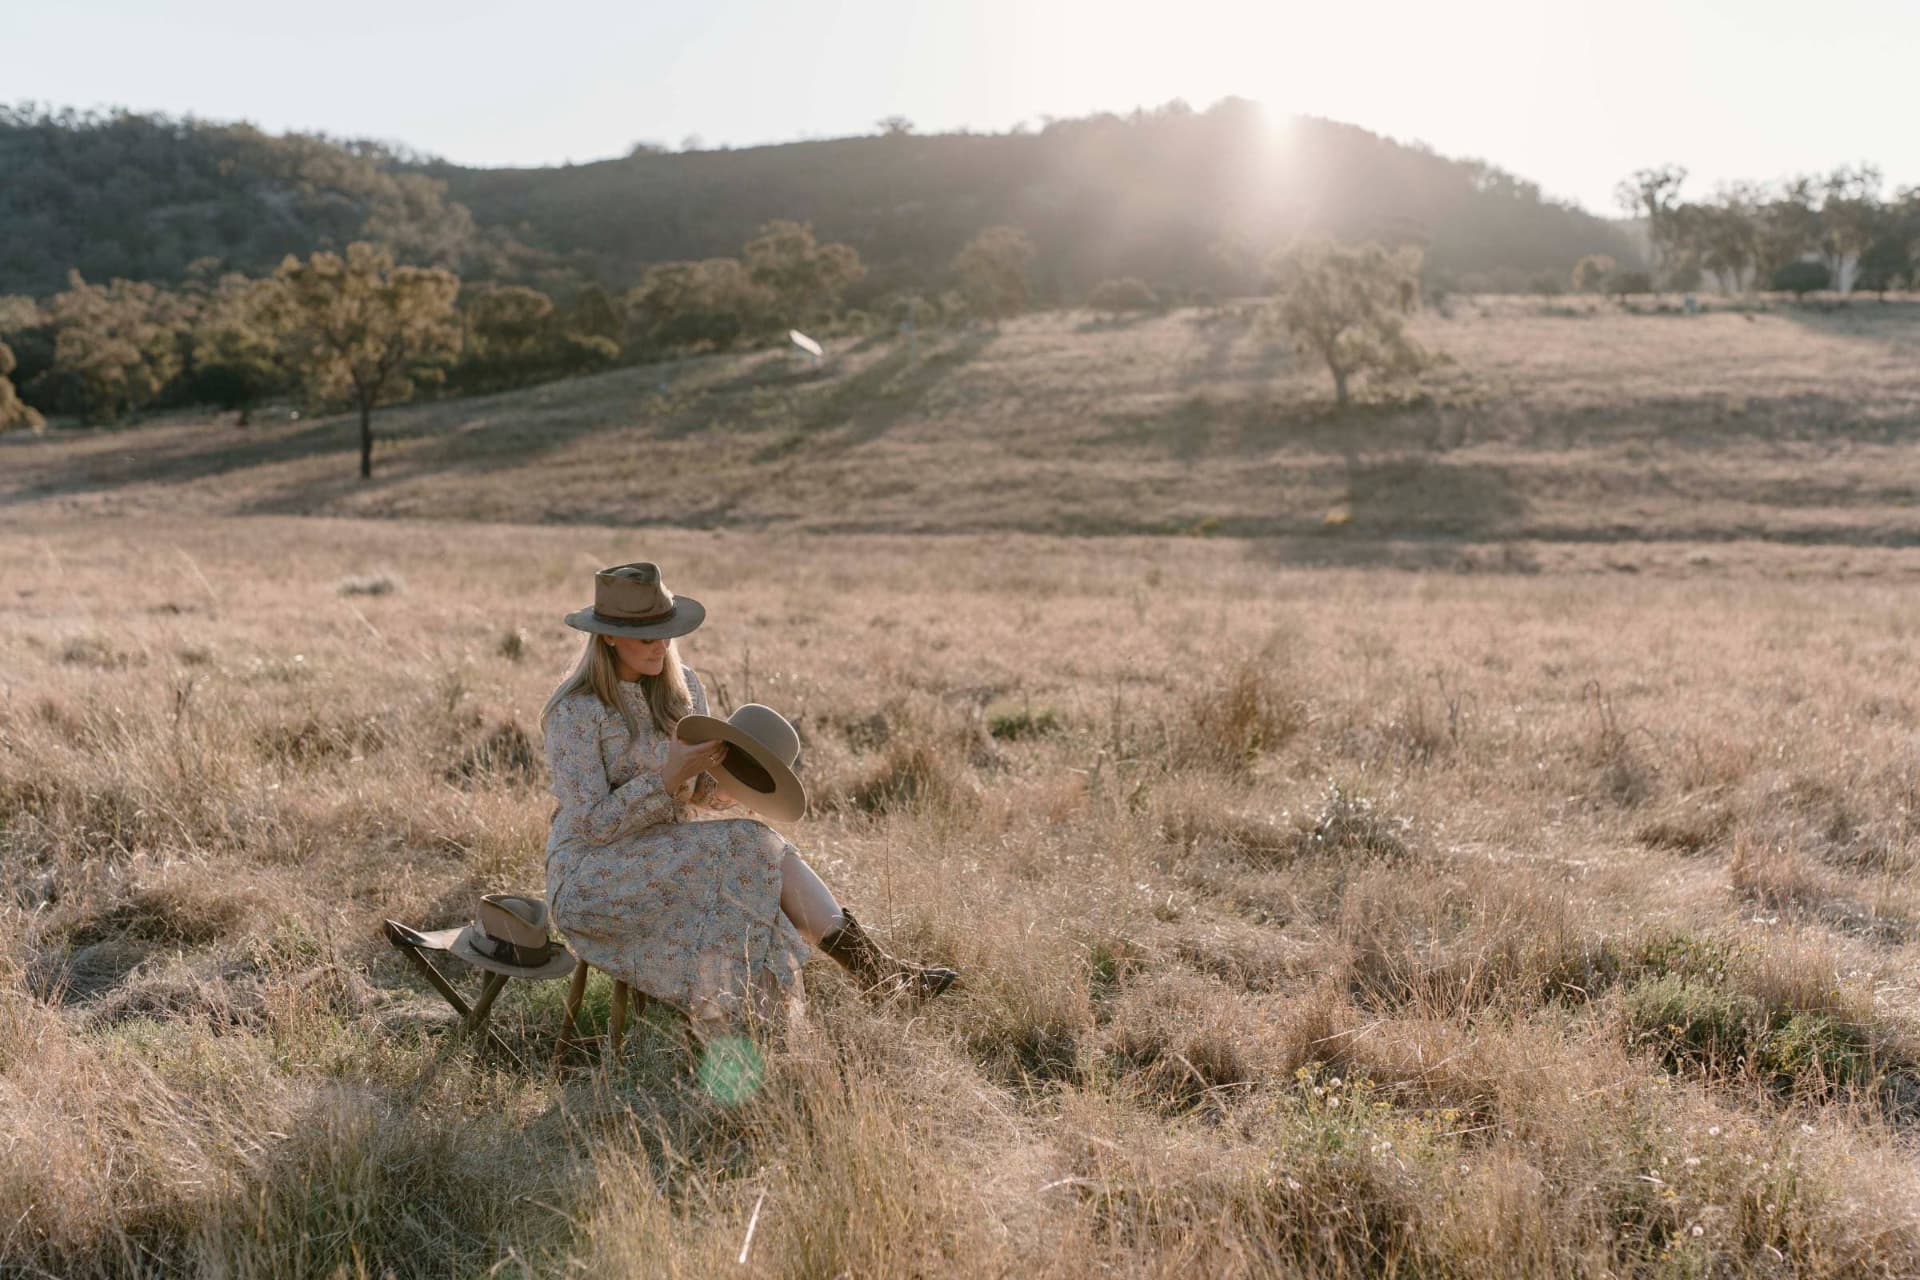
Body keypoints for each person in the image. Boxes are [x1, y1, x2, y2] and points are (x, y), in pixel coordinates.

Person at [541, 561, 956, 1030]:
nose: (661, 646)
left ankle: (864, 984)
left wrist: (739, 777)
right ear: (609, 637)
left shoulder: (683, 689)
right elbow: (592, 827)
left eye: (666, 633)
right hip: (593, 875)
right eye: (646, 637)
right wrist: (667, 775)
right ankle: (872, 980)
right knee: (749, 845)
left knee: (754, 852)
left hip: (669, 853)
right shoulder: (575, 712)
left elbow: (697, 797)